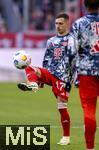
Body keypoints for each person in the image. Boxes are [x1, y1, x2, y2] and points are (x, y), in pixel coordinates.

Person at [18, 13, 76, 145]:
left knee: (61, 107)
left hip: (64, 78)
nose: (58, 26)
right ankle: (33, 85)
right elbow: (47, 60)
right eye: (56, 23)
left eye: (61, 23)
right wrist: (41, 79)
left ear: (67, 23)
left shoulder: (73, 40)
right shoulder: (51, 41)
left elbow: (77, 61)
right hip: (50, 74)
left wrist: (75, 79)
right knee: (29, 67)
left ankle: (66, 137)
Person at [71, 0, 99, 149]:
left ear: (85, 5)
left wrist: (74, 75)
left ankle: (90, 147)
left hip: (87, 72)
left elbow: (73, 52)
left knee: (89, 110)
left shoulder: (79, 24)